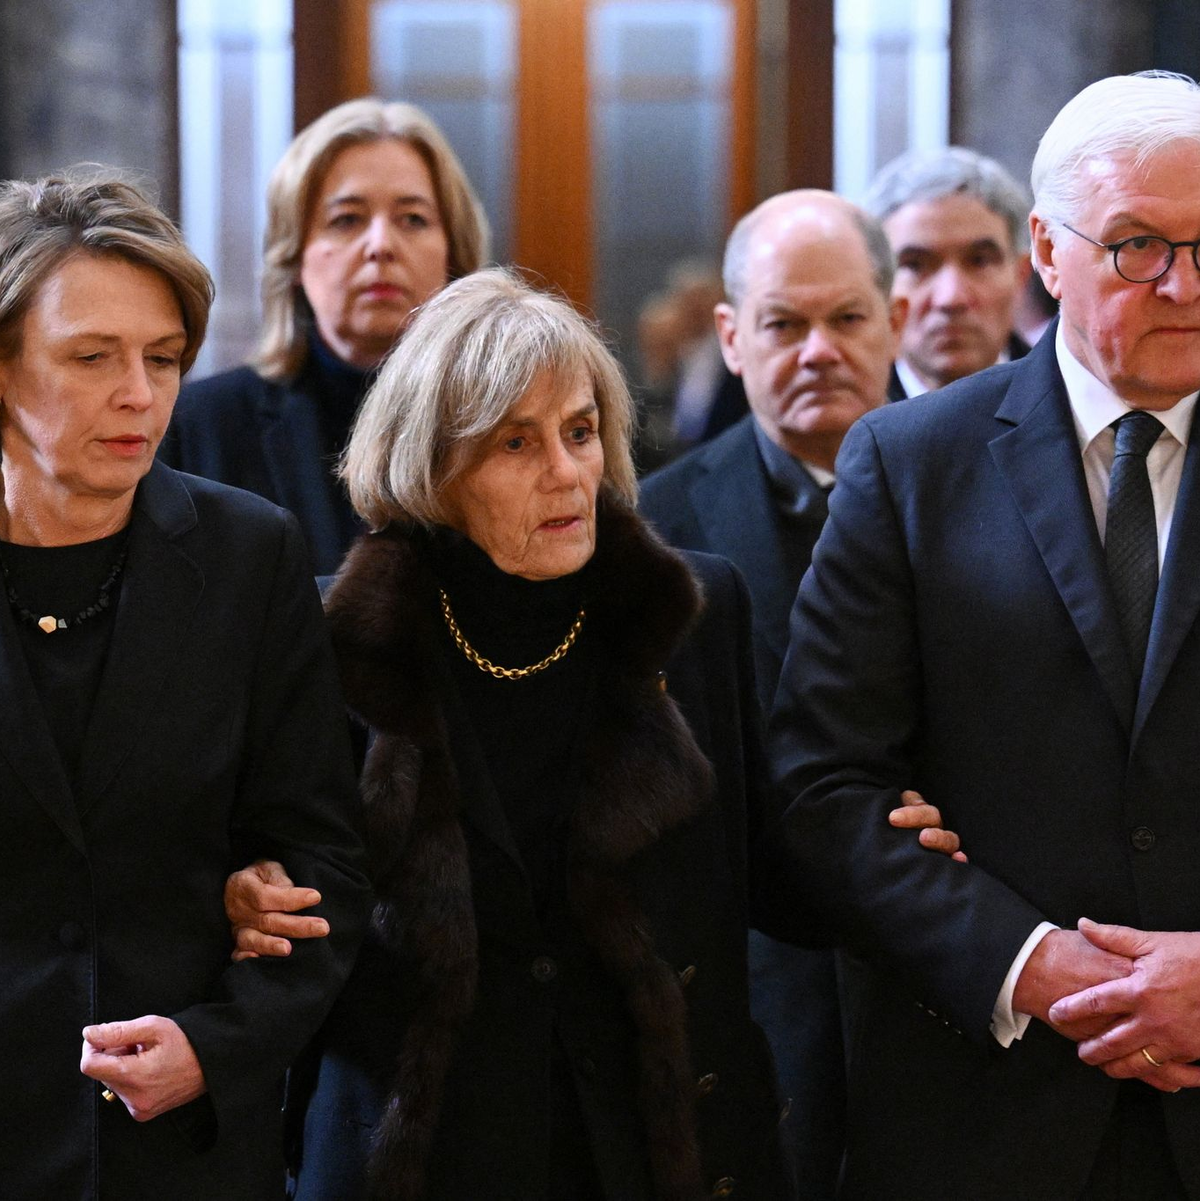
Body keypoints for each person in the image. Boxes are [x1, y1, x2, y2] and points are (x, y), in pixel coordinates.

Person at [221, 266, 797, 1200]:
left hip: (646, 1142)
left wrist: (904, 816)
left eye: (581, 431)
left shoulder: (689, 612)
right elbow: (257, 859)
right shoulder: (329, 640)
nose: (567, 471)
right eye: (515, 442)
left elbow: (774, 865)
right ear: (432, 466)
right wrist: (243, 888)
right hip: (416, 1146)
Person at [769, 71, 1200, 1199]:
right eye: (1140, 246)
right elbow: (823, 787)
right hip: (987, 1111)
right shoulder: (911, 463)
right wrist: (1037, 965)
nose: (1185, 284)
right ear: (1046, 253)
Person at [0, 171, 370, 1198]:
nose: (140, 394)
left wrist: (220, 1044)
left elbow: (323, 862)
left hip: (177, 1149)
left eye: (163, 358)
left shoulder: (249, 555)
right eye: (92, 357)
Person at [640, 189, 903, 1199]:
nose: (818, 351)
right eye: (784, 324)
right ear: (731, 337)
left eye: (847, 318)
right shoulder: (653, 525)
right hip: (745, 992)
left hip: (942, 975)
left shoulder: (980, 484)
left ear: (894, 319)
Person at [159, 98, 489, 574]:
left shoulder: (506, 426)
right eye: (347, 219)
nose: (381, 245)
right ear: (294, 256)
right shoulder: (198, 428)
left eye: (413, 219)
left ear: (454, 255)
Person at [863, 146, 1032, 400]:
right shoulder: (845, 414)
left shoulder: (1069, 400)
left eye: (979, 261)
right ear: (877, 282)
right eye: (915, 265)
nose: (951, 298)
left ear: (1021, 275)